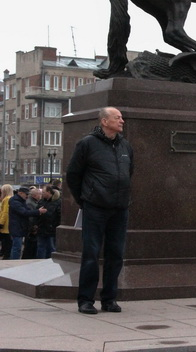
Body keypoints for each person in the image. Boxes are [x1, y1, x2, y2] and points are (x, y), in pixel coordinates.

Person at [66, 107, 134, 315]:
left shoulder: (125, 145)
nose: (122, 121)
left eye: (121, 117)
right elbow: (73, 175)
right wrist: (85, 200)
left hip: (119, 208)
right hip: (95, 207)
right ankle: (86, 300)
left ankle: (109, 299)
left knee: (115, 255)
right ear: (104, 121)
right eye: (117, 117)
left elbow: (128, 173)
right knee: (91, 254)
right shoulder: (87, 144)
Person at [8, 188, 46, 260]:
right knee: (17, 247)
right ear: (21, 193)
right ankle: (14, 262)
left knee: (17, 247)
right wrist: (38, 211)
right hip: (17, 227)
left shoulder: (20, 201)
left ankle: (14, 260)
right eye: (26, 194)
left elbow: (27, 210)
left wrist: (37, 211)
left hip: (19, 227)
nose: (27, 196)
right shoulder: (16, 202)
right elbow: (24, 212)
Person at [35, 185, 62, 259]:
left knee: (51, 248)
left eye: (43, 192)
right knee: (41, 247)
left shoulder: (58, 202)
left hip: (51, 229)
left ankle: (51, 263)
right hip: (41, 228)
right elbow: (36, 213)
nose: (42, 194)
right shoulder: (41, 201)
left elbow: (59, 216)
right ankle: (40, 262)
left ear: (49, 192)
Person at [0, 184, 14, 260]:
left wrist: (1, 223)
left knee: (6, 242)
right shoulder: (11, 198)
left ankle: (6, 256)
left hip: (5, 224)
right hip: (9, 223)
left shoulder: (6, 199)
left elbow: (5, 212)